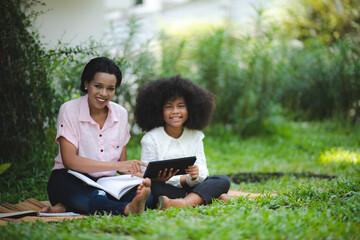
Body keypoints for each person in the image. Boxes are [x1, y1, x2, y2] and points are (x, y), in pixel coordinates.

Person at [39, 57, 152, 216]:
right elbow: (70, 161)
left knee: (147, 194)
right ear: (86, 84)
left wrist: (145, 177)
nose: (104, 94)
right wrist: (117, 166)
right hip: (70, 179)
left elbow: (122, 164)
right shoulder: (69, 110)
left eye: (110, 88)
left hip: (107, 183)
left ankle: (69, 206)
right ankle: (126, 209)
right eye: (98, 86)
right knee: (93, 195)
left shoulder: (121, 114)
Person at [133, 75, 231, 210]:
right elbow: (146, 174)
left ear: (190, 108)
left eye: (181, 106)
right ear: (159, 110)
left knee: (222, 180)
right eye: (169, 107)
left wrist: (195, 175)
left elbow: (203, 170)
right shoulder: (151, 138)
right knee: (151, 188)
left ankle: (182, 203)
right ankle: (204, 199)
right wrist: (177, 179)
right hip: (165, 188)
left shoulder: (196, 136)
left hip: (192, 186)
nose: (175, 111)